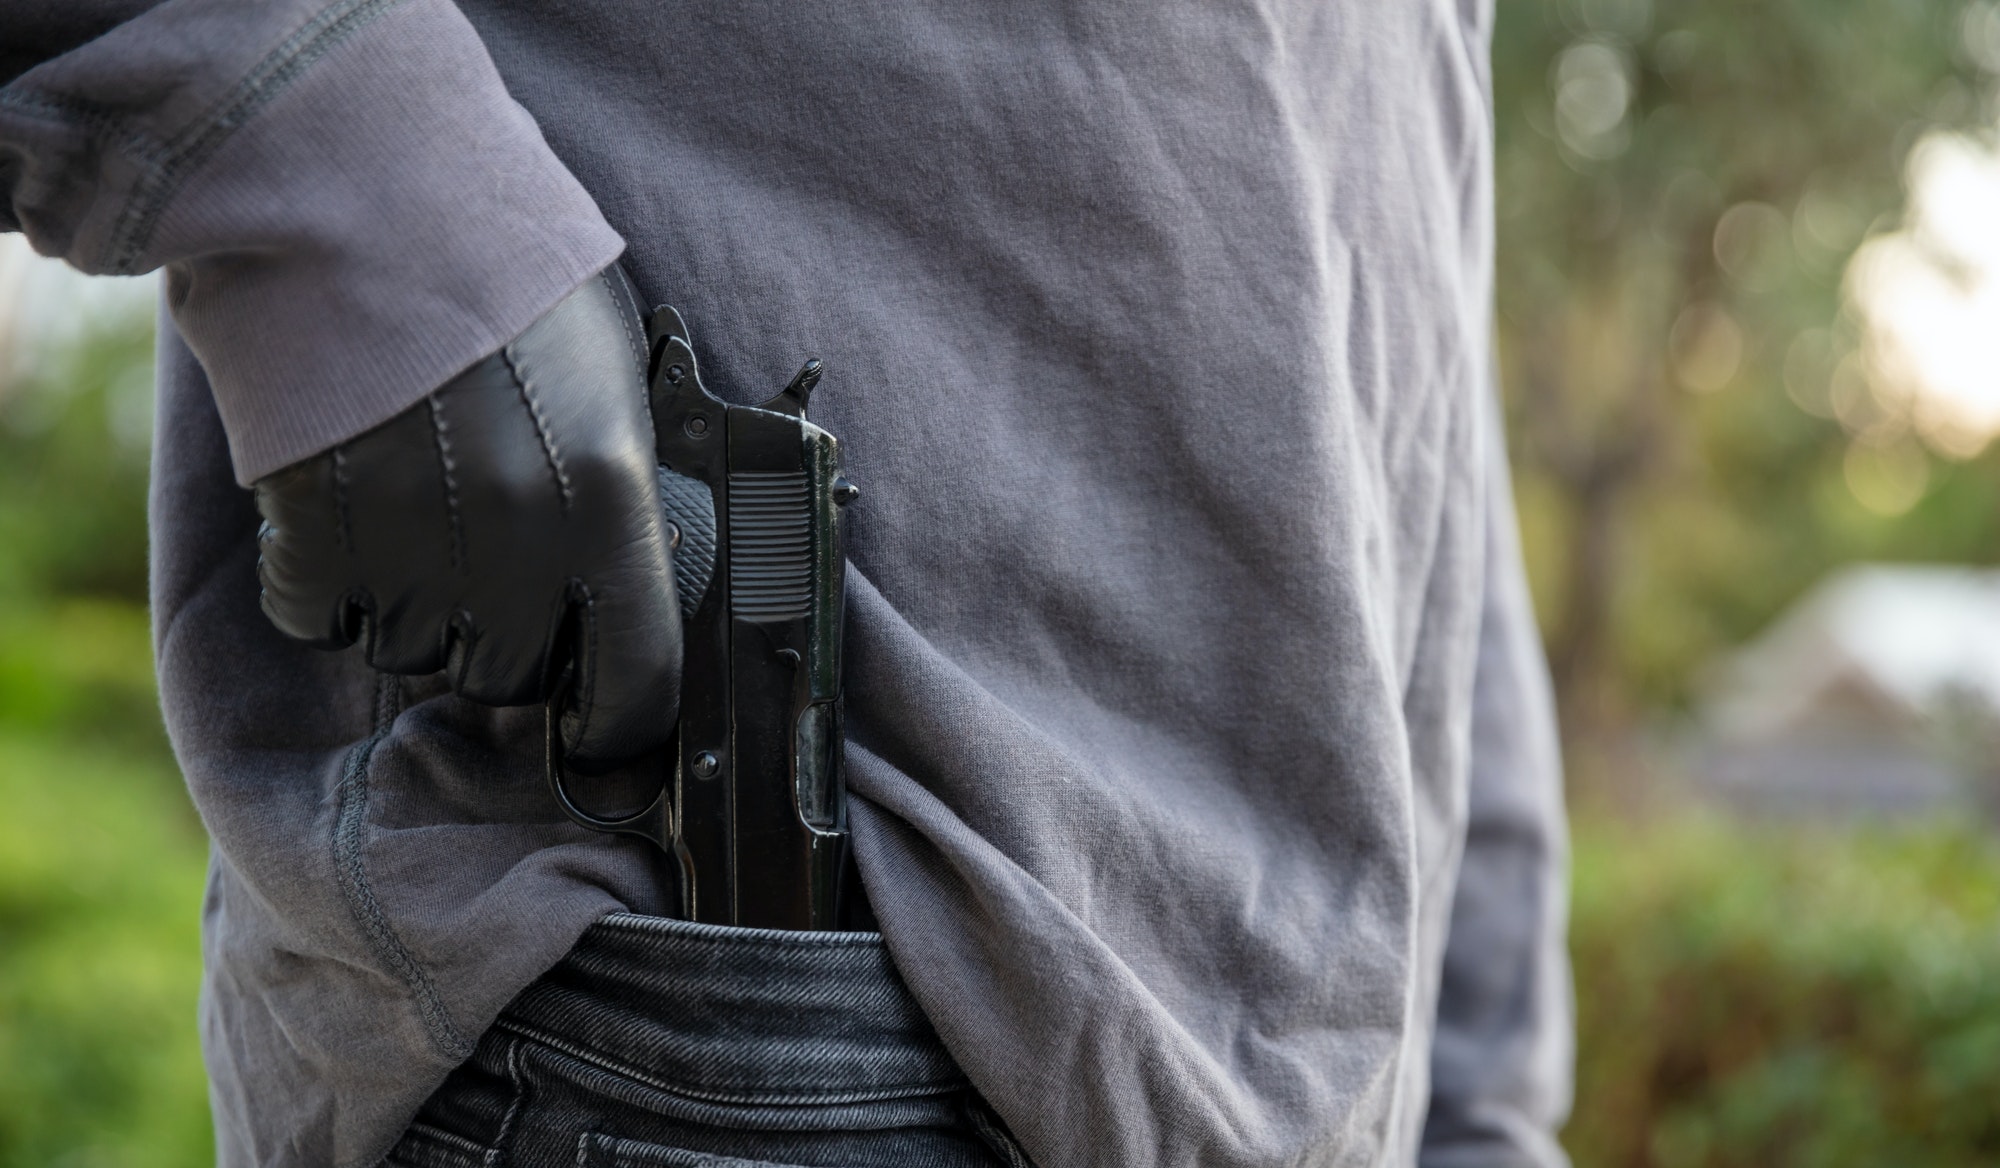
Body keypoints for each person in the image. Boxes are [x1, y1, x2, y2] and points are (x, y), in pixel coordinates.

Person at [1, 1, 1573, 1165]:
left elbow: (1380, 257)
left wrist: (1474, 1071)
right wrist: (304, 138)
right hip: (769, 1000)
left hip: (1286, 1056)